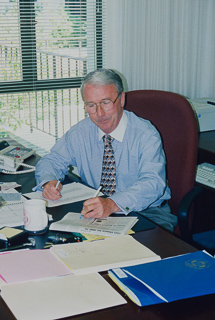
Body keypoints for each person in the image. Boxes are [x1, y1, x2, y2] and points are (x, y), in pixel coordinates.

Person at [34, 69, 177, 232]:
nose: (100, 113)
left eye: (106, 102)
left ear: (122, 99)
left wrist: (112, 204)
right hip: (98, 211)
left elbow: (153, 183)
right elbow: (51, 160)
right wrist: (48, 181)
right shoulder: (81, 132)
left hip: (147, 213)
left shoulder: (145, 134)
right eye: (91, 105)